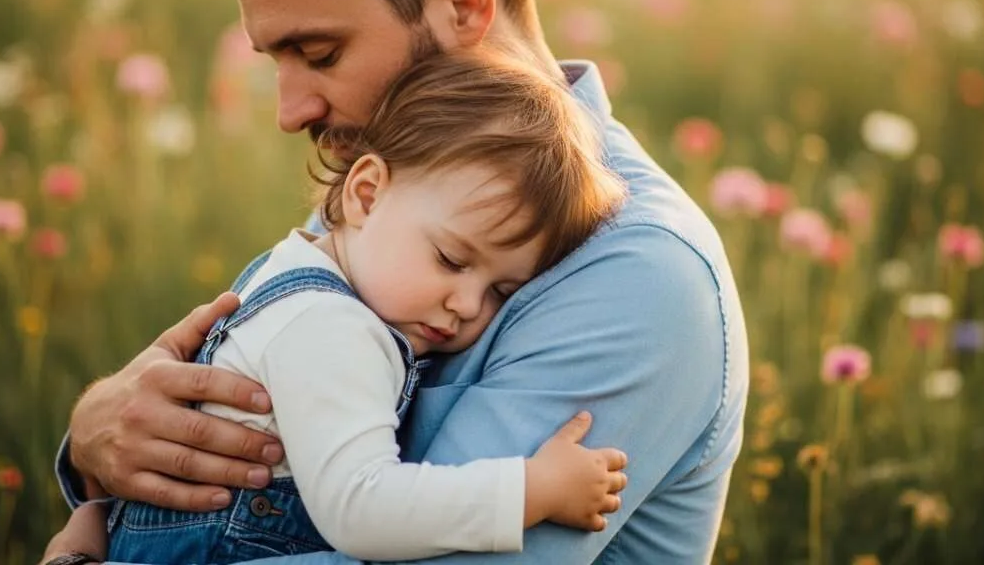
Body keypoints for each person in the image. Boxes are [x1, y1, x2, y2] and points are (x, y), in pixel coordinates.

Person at [43, 0, 749, 563]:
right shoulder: (399, 182)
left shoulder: (637, 275)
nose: (290, 112)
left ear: (462, 1)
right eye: (275, 61)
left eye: (319, 53)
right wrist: (97, 441)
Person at [105, 50, 630, 564]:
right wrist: (529, 492)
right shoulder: (331, 327)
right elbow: (361, 509)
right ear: (367, 195)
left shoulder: (298, 272)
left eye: (502, 291)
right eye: (450, 259)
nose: (469, 305)